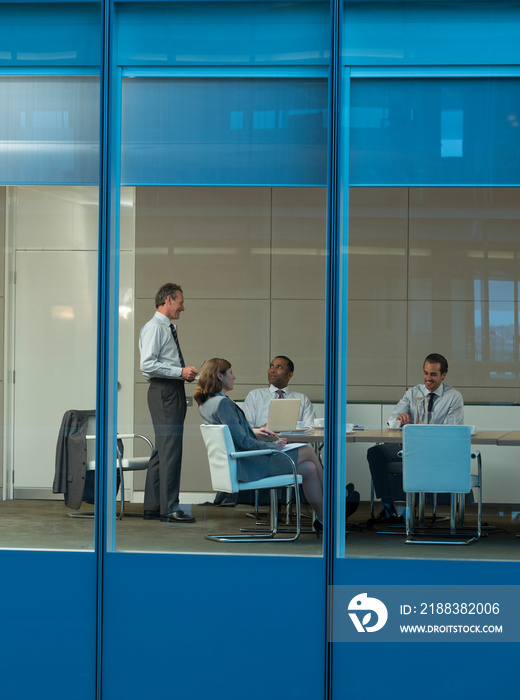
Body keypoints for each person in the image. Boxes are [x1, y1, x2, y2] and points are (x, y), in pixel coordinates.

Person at [194, 358, 324, 532]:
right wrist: (274, 447)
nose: (234, 377)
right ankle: (336, 497)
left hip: (240, 463)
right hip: (250, 464)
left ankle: (324, 520)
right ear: (220, 376)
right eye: (231, 373)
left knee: (309, 468)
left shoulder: (207, 403)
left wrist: (254, 431)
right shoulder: (223, 403)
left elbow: (233, 433)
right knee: (307, 450)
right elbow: (242, 441)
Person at [367, 353, 464, 524]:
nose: (428, 378)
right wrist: (399, 420)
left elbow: (451, 431)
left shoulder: (453, 397)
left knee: (413, 458)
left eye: (433, 374)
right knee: (375, 453)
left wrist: (421, 435)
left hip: (435, 450)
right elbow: (391, 420)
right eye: (426, 373)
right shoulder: (413, 392)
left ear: (443, 375)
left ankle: (407, 509)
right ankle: (388, 507)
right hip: (408, 446)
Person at [139, 283, 199, 523]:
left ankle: (154, 505)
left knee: (163, 449)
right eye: (180, 302)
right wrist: (179, 372)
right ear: (167, 300)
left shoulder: (162, 328)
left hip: (167, 388)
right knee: (171, 449)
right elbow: (147, 365)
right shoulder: (156, 327)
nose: (183, 308)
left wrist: (179, 374)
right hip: (165, 390)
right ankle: (170, 508)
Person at [242, 355, 316, 429]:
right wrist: (260, 430)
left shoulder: (302, 399)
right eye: (271, 366)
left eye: (279, 367)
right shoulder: (255, 396)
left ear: (289, 375)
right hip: (263, 439)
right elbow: (246, 427)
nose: (272, 370)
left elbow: (310, 429)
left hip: (293, 440)